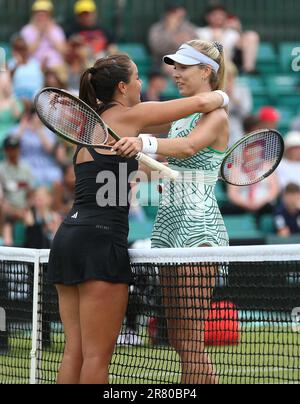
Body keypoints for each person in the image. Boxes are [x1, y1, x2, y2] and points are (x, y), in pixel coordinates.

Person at [46, 52, 228, 384]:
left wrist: (156, 171)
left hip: (68, 238)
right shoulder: (131, 116)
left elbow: (114, 181)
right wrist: (223, 93)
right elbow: (204, 102)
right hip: (100, 243)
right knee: (96, 360)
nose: (141, 84)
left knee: (74, 351)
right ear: (122, 86)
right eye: (137, 78)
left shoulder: (96, 123)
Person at [112, 40, 229, 384]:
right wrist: (125, 157)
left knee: (191, 340)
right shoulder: (185, 115)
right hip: (169, 226)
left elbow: (188, 147)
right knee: (179, 338)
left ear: (206, 71)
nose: (175, 73)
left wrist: (144, 143)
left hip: (198, 228)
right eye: (174, 66)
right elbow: (164, 163)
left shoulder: (216, 115)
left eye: (183, 67)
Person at [197, 5, 260, 73]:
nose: (218, 17)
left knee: (252, 35)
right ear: (207, 17)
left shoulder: (232, 33)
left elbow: (242, 46)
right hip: (209, 66)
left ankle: (248, 70)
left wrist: (238, 29)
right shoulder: (201, 31)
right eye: (215, 15)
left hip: (231, 65)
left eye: (221, 14)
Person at [0, 136, 33, 247]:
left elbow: (31, 193)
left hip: (24, 208)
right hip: (7, 209)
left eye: (15, 148)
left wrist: (26, 207)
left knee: (30, 220)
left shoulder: (26, 169)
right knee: (5, 214)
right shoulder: (1, 169)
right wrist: (13, 210)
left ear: (19, 149)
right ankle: (7, 252)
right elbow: (1, 198)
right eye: (10, 148)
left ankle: (31, 251)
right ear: (5, 150)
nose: (13, 151)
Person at [148, 0, 198, 70]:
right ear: (166, 13)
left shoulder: (190, 28)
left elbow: (195, 48)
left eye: (178, 10)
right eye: (172, 11)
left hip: (186, 60)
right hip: (163, 61)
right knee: (172, 67)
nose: (175, 14)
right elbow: (156, 48)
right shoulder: (157, 28)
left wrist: (183, 41)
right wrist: (170, 32)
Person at [20, 0, 67, 71]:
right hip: (34, 66)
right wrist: (39, 34)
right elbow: (27, 52)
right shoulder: (27, 30)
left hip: (55, 65)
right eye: (38, 14)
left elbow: (63, 51)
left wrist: (48, 33)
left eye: (44, 14)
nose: (41, 17)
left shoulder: (57, 29)